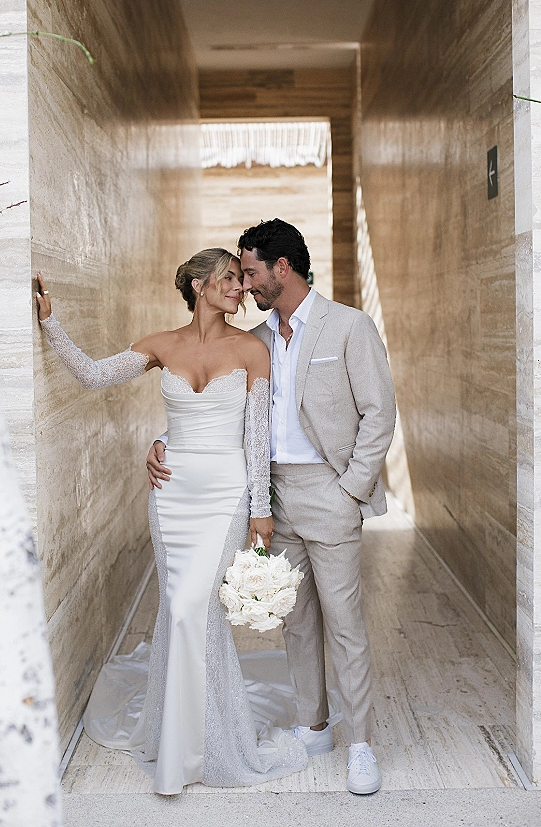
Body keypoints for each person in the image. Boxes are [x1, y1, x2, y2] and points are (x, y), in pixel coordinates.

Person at [36, 249, 308, 796]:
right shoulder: (161, 344)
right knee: (180, 610)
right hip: (172, 496)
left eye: (241, 280)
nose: (240, 289)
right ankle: (181, 738)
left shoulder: (252, 349)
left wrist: (260, 508)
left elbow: (256, 438)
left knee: (194, 610)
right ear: (200, 284)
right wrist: (49, 322)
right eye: (230, 279)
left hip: (227, 494)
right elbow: (92, 376)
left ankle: (213, 743)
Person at [147, 219, 396, 795]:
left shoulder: (349, 327)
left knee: (345, 623)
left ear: (281, 268)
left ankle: (360, 741)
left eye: (252, 272)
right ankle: (314, 726)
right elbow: (217, 408)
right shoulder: (254, 341)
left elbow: (379, 414)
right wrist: (164, 439)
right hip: (271, 495)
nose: (245, 286)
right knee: (297, 620)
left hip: (330, 492)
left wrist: (351, 490)